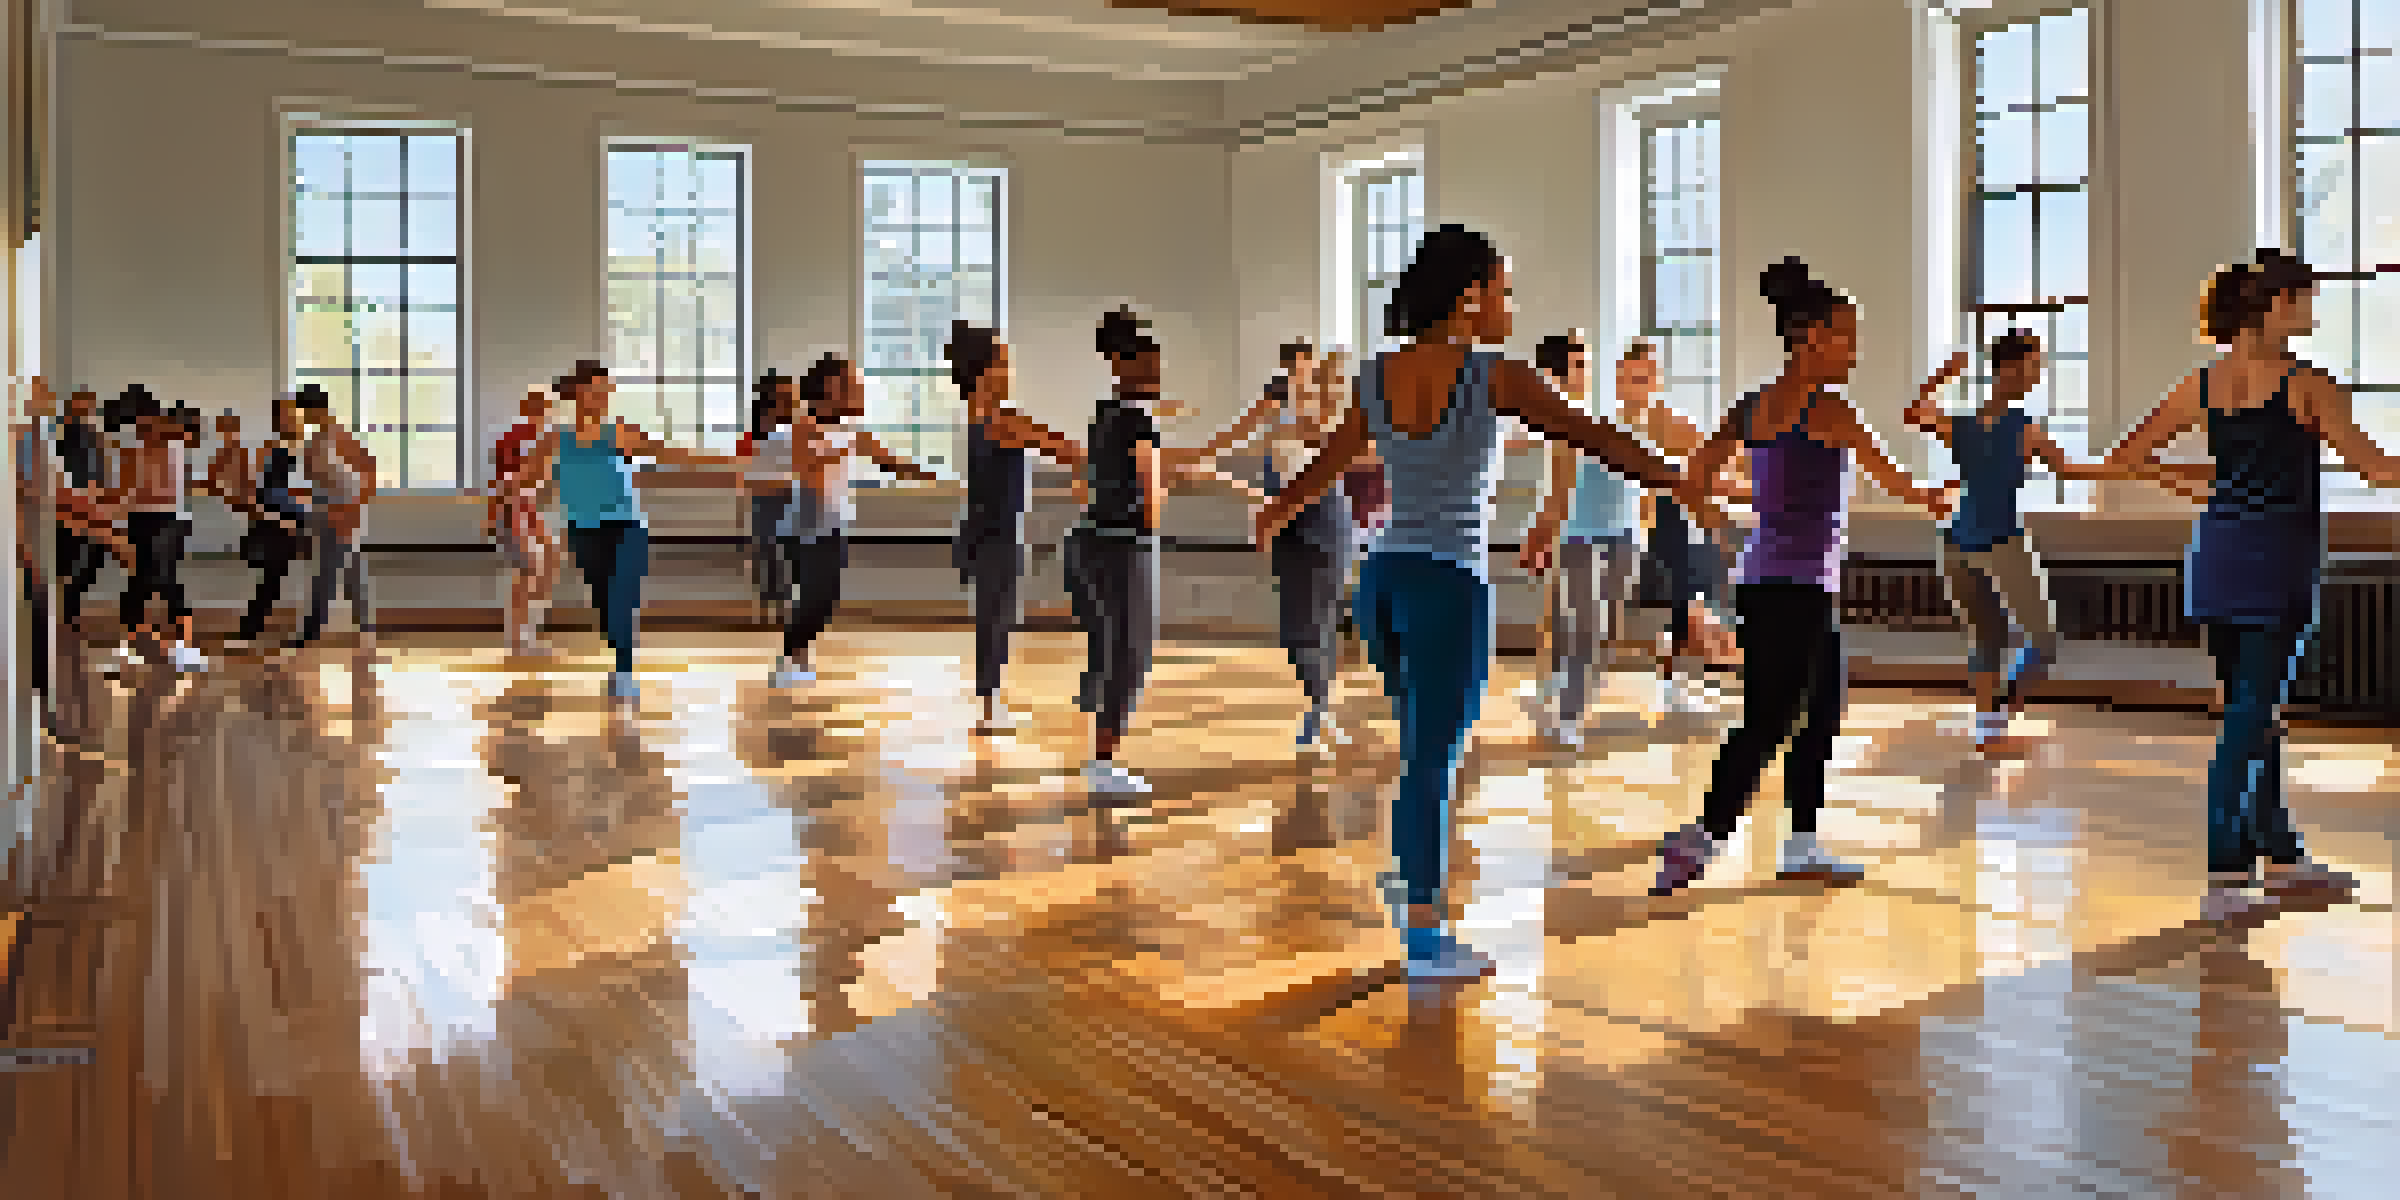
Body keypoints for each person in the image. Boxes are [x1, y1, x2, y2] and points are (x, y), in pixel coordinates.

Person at [1254, 224, 1707, 980]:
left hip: (1384, 583)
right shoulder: (1497, 376)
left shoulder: (1377, 374)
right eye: (1503, 290)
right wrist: (1681, 477)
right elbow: (1596, 435)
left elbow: (1330, 463)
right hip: (1447, 585)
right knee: (1436, 757)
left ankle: (1410, 875)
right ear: (1470, 298)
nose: (1510, 305)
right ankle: (1426, 935)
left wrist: (1274, 513)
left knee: (1419, 751)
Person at [1650, 257, 1955, 897]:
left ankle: (1800, 842)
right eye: (1847, 334)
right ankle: (1702, 836)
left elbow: (1692, 476)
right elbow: (1895, 479)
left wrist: (1722, 526)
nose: (1855, 348)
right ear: (1811, 336)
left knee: (1818, 711)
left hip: (1764, 581)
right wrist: (1932, 496)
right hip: (1800, 589)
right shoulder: (1831, 410)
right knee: (1771, 718)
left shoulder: (1752, 407)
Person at [2103, 249, 2392, 921]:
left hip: (2217, 557)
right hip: (2274, 565)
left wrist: (2196, 483)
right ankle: (2226, 873)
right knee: (2249, 718)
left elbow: (2124, 460)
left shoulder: (2202, 384)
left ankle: (2282, 857)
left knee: (2255, 713)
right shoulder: (2307, 385)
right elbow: (2376, 469)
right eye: (2307, 299)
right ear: (2277, 305)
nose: (2313, 311)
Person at [1903, 330, 2106, 752]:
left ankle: (1990, 726)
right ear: (2011, 368)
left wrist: (1942, 376)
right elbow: (2070, 472)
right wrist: (2133, 467)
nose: (2038, 374)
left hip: (1958, 544)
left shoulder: (1962, 426)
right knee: (2039, 641)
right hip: (1994, 542)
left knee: (1991, 639)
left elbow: (1915, 412)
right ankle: (1996, 713)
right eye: (2034, 366)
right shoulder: (2022, 428)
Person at [515, 360, 745, 702]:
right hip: (582, 531)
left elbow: (670, 455)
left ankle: (624, 672)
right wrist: (511, 508)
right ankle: (620, 652)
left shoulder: (619, 432)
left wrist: (730, 461)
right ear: (579, 393)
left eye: (608, 389)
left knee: (624, 598)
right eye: (598, 389)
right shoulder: (554, 440)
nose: (606, 396)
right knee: (606, 605)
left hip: (628, 527)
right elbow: (526, 482)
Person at [1183, 339, 1355, 752]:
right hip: (1286, 524)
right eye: (1292, 370)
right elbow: (1231, 437)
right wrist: (1194, 462)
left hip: (1325, 521)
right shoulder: (1273, 408)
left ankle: (1321, 708)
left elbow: (1324, 438)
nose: (1298, 378)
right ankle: (1319, 702)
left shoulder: (1327, 413)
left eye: (1306, 371)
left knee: (1324, 619)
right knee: (1297, 626)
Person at [758, 352, 937, 689]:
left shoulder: (853, 432)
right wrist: (843, 447)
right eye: (853, 385)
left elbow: (889, 460)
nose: (860, 392)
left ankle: (796, 656)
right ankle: (790, 658)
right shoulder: (803, 426)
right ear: (830, 389)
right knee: (815, 594)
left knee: (825, 595)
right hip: (802, 527)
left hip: (832, 525)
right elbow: (804, 464)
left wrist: (925, 472)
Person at [951, 321, 1087, 734]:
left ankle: (990, 702)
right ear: (984, 370)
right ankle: (990, 708)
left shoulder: (981, 416)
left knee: (994, 618)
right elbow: (1066, 447)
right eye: (1004, 363)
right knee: (996, 619)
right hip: (997, 531)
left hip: (986, 528)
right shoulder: (1001, 419)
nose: (1010, 372)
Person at [1519, 331, 1643, 747]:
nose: (1587, 371)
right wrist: (1537, 538)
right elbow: (1557, 495)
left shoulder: (1604, 413)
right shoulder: (1561, 425)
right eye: (1579, 364)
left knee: (1598, 632)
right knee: (1584, 630)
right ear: (1559, 373)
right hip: (1581, 542)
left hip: (1625, 538)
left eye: (1587, 362)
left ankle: (1556, 694)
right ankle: (1568, 716)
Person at [1615, 340, 1746, 713]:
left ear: (1656, 381)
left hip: (1675, 532)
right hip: (1632, 533)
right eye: (1632, 377)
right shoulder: (1610, 427)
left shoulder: (1679, 427)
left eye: (1647, 377)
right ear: (1621, 381)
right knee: (1688, 577)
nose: (1639, 385)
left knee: (1693, 579)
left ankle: (1687, 676)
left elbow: (1720, 475)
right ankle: (1692, 670)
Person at [105, 385, 208, 672]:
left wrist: (121, 501)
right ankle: (129, 647)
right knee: (138, 583)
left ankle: (184, 648)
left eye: (140, 423)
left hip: (168, 521)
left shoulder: (173, 442)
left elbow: (158, 492)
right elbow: (128, 490)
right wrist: (114, 515)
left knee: (167, 581)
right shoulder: (135, 448)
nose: (137, 430)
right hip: (141, 520)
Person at [290, 384, 379, 647]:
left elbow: (369, 473)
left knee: (337, 571)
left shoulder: (339, 437)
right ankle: (357, 627)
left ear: (317, 409)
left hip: (344, 510)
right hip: (323, 510)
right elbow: (313, 479)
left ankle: (324, 628)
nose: (304, 418)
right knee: (336, 570)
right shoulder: (314, 441)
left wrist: (351, 512)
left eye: (306, 412)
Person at [234, 392, 314, 648]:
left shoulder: (309, 450)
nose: (291, 420)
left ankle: (304, 630)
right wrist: (277, 518)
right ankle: (250, 629)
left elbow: (309, 490)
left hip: (303, 522)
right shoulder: (271, 451)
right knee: (273, 578)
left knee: (317, 575)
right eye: (285, 416)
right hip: (277, 524)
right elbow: (262, 493)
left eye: (294, 415)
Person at [491, 386, 561, 657]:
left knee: (550, 558)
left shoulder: (545, 441)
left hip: (530, 511)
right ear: (526, 409)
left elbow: (543, 483)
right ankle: (519, 640)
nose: (542, 413)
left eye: (545, 408)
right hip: (512, 512)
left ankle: (530, 631)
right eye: (537, 407)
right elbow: (507, 484)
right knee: (524, 572)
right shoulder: (513, 439)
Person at [54, 386, 114, 634]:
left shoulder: (93, 438)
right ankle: (65, 613)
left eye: (89, 406)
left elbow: (100, 474)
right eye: (82, 406)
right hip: (71, 509)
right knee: (72, 561)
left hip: (88, 508)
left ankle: (68, 610)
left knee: (89, 558)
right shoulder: (66, 439)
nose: (88, 410)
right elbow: (65, 475)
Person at [739, 371, 797, 628]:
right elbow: (747, 474)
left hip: (791, 501)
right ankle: (769, 607)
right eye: (787, 395)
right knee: (767, 554)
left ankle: (785, 607)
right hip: (765, 501)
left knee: (788, 556)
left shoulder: (796, 431)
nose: (794, 400)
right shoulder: (754, 436)